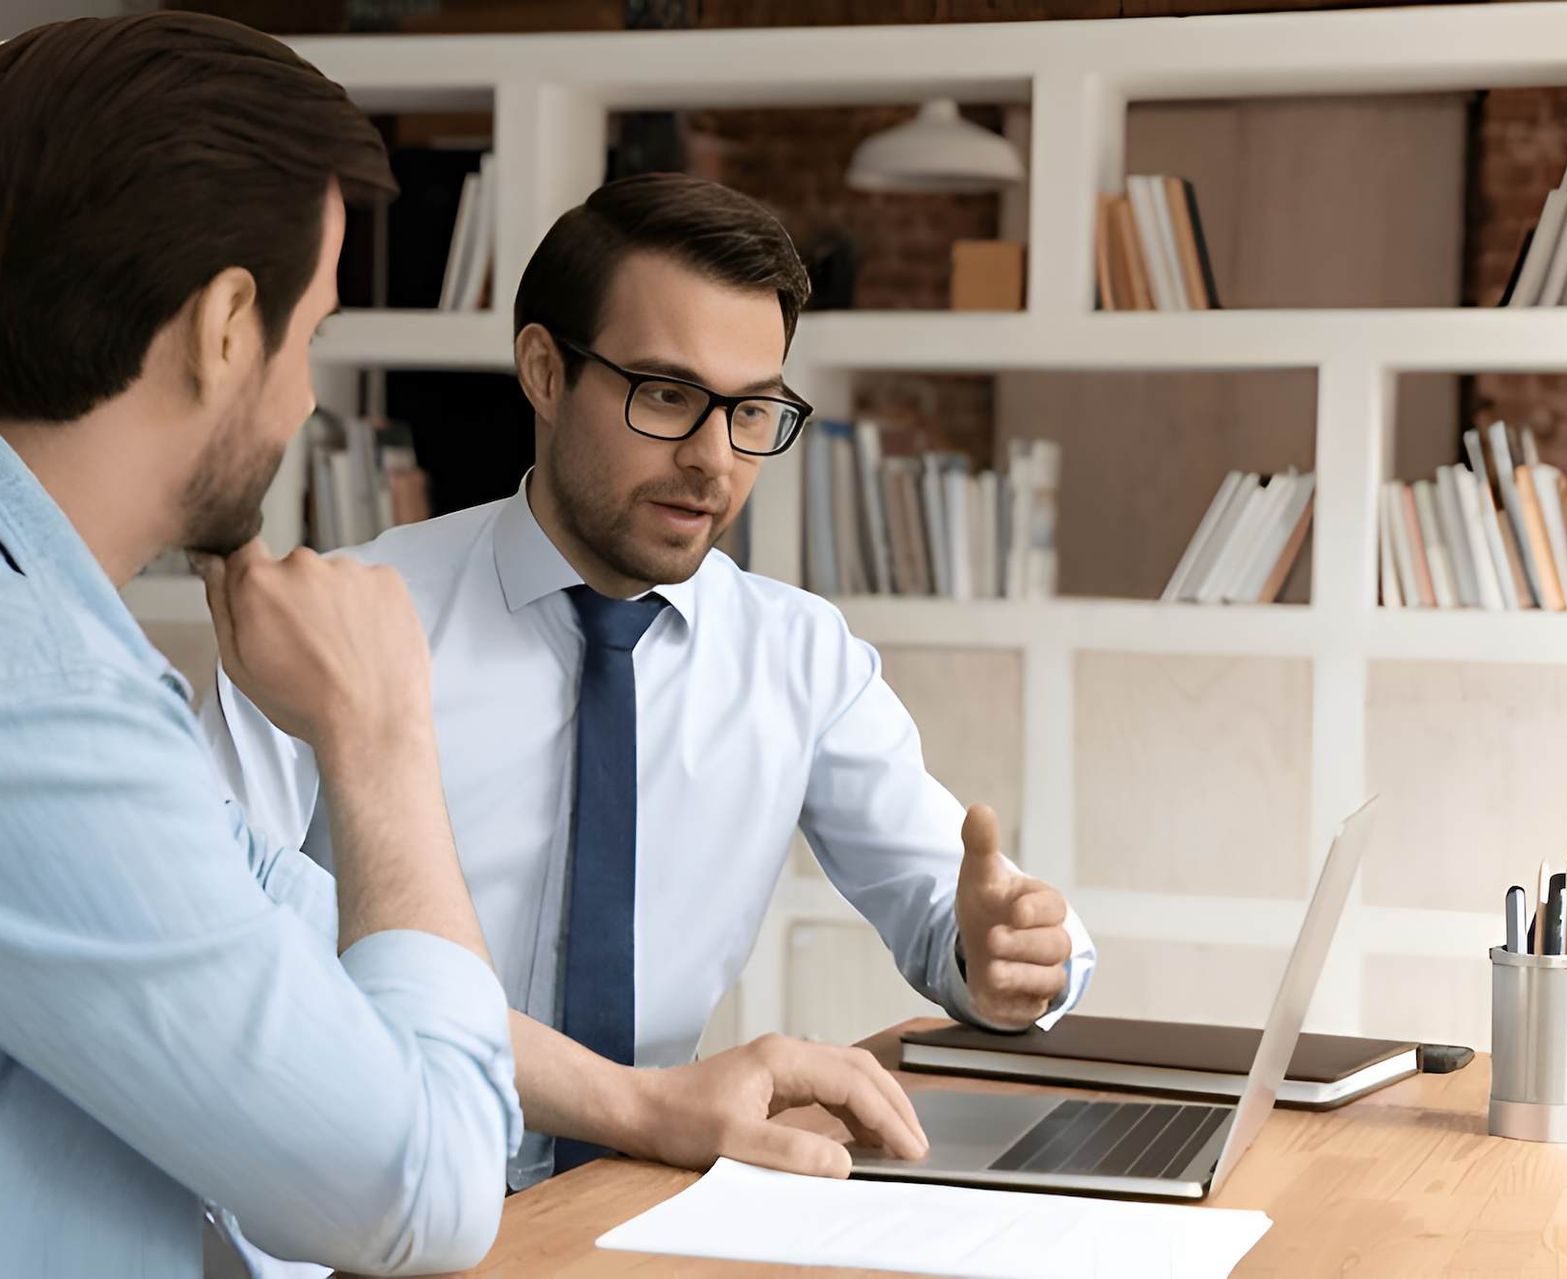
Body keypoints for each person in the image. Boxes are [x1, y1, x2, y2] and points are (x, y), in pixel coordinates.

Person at [0, 14, 520, 1278]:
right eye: (315, 335)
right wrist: (384, 732)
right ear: (227, 323)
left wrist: (639, 1100)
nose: (305, 396)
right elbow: (426, 1198)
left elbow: (252, 920)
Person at [204, 172, 1098, 1191]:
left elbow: (966, 914)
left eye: (752, 410)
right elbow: (220, 945)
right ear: (544, 370)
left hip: (640, 1203)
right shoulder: (339, 619)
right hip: (358, 1214)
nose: (713, 461)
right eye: (668, 396)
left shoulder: (798, 657)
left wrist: (1008, 957)